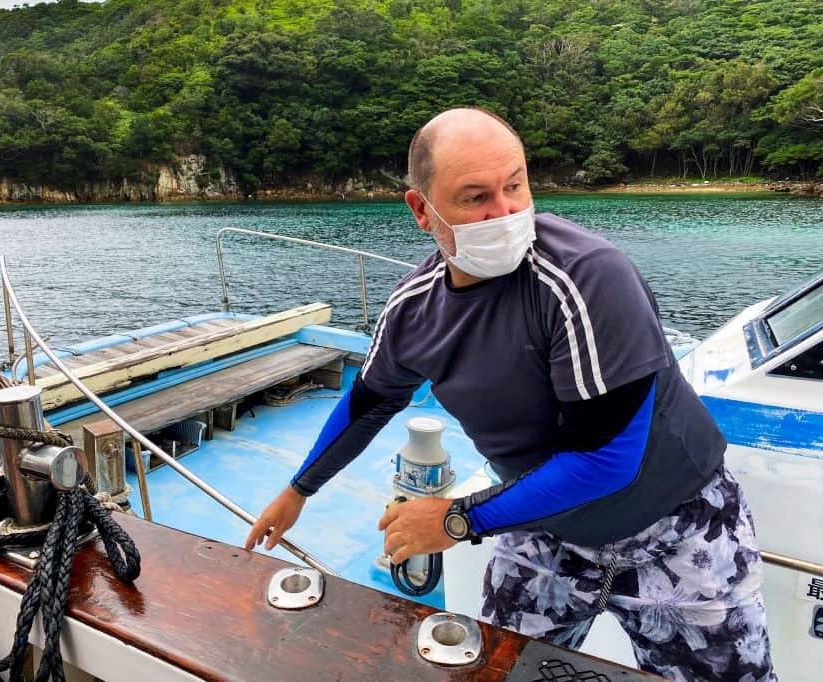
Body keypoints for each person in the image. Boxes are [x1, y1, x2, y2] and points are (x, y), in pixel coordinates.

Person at [244, 107, 774, 681]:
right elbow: (370, 402)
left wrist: (454, 520)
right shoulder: (413, 310)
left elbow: (605, 460)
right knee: (497, 671)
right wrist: (299, 490)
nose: (504, 213)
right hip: (545, 525)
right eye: (475, 198)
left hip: (679, 529)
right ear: (421, 210)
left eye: (515, 186)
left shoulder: (587, 277)